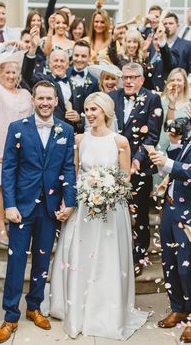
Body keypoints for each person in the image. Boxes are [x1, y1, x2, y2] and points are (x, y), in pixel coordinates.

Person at [50, 91, 148, 339]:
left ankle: (105, 311)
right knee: (80, 255)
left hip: (111, 209)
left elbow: (125, 177)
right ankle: (75, 307)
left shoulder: (120, 142)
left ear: (105, 111)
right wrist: (74, 195)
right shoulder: (79, 139)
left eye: (94, 109)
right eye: (87, 109)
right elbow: (72, 173)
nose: (89, 114)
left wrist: (108, 189)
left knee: (106, 257)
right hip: (83, 208)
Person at [0, 80, 77, 344]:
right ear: (33, 100)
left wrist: (70, 201)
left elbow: (68, 169)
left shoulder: (66, 130)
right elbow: (8, 168)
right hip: (22, 206)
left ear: (55, 101)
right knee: (16, 260)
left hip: (50, 208)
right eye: (40, 98)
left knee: (42, 261)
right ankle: (10, 315)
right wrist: (9, 204)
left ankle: (34, 307)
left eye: (48, 99)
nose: (44, 103)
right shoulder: (17, 128)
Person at [109, 63, 163, 276]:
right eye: (125, 77)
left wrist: (138, 159)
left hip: (140, 167)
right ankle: (116, 252)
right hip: (113, 165)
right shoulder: (112, 97)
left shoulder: (152, 99)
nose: (128, 81)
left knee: (139, 213)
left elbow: (152, 135)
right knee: (115, 209)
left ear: (141, 79)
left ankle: (140, 255)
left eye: (133, 77)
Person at [0, 51, 32, 246]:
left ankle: (17, 222)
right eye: (7, 72)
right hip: (2, 146)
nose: (11, 76)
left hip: (25, 147)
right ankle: (1, 225)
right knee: (1, 186)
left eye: (13, 72)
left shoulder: (27, 94)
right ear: (1, 74)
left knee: (21, 184)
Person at [150, 133, 191, 343]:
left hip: (189, 211)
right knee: (170, 262)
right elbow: (184, 160)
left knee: (188, 267)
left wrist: (168, 163)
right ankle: (178, 309)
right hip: (171, 206)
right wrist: (175, 143)